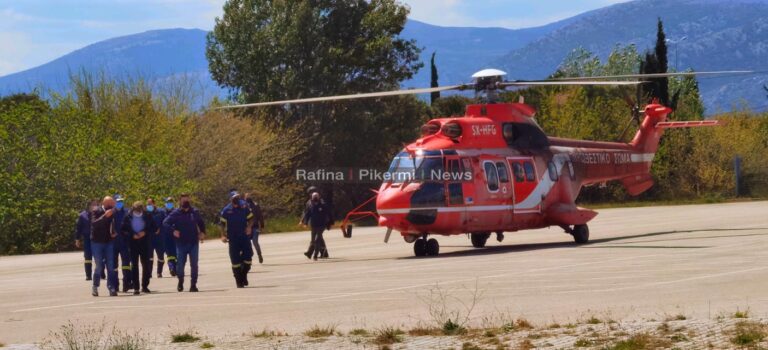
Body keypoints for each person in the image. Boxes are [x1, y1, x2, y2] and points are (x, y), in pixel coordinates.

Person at [163, 193, 206, 292]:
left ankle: (193, 285)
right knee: (180, 265)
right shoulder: (176, 213)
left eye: (187, 200)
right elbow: (165, 223)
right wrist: (173, 231)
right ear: (180, 201)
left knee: (194, 264)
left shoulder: (194, 212)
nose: (185, 202)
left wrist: (202, 232)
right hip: (181, 243)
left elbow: (201, 222)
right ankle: (180, 281)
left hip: (193, 242)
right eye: (183, 200)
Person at [219, 193, 254, 288]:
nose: (237, 199)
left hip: (244, 237)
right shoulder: (226, 210)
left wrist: (249, 227)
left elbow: (251, 218)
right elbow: (222, 224)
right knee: (235, 261)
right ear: (230, 199)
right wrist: (222, 235)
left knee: (248, 258)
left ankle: (244, 275)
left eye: (238, 197)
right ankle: (239, 281)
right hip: (233, 238)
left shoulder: (244, 206)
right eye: (235, 198)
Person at [122, 201, 156, 295]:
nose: (137, 212)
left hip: (145, 243)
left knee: (146, 264)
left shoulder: (147, 216)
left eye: (139, 210)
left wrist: (145, 232)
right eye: (136, 210)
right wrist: (132, 235)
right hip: (133, 243)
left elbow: (154, 227)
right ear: (133, 208)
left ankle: (145, 286)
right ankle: (136, 287)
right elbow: (123, 230)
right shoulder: (127, 216)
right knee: (134, 265)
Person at [90, 196, 119, 297]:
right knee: (99, 266)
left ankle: (111, 288)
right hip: (97, 242)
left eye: (112, 204)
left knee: (110, 266)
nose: (111, 206)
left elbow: (116, 224)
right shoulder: (96, 211)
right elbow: (94, 223)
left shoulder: (113, 212)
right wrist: (104, 216)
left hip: (109, 242)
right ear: (105, 203)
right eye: (110, 204)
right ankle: (95, 286)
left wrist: (115, 232)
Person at [301, 192, 333, 261]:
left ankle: (315, 255)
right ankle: (310, 253)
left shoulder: (323, 205)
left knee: (317, 240)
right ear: (311, 198)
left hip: (321, 225)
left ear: (319, 197)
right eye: (314, 197)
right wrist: (305, 223)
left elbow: (329, 214)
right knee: (313, 240)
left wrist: (330, 223)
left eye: (316, 196)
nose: (315, 198)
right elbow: (307, 214)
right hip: (313, 225)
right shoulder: (310, 205)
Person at [75, 199, 99, 281]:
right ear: (89, 206)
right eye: (93, 204)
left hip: (97, 238)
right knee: (88, 257)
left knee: (99, 257)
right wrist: (77, 239)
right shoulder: (82, 216)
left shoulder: (100, 214)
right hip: (87, 239)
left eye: (96, 204)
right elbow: (78, 228)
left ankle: (101, 274)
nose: (95, 206)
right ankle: (88, 275)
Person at [112, 194, 132, 292]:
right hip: (113, 243)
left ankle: (126, 283)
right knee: (114, 266)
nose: (120, 203)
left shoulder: (127, 212)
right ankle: (115, 285)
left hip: (125, 242)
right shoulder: (110, 213)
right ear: (114, 202)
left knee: (126, 264)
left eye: (121, 201)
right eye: (118, 201)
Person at [146, 197, 167, 278]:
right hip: (149, 238)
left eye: (150, 204)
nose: (149, 205)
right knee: (149, 257)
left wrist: (160, 229)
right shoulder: (145, 213)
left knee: (161, 257)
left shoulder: (161, 212)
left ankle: (159, 272)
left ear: (154, 204)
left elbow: (165, 222)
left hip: (159, 238)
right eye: (147, 204)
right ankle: (149, 273)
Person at [244, 193, 265, 264]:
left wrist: (262, 225)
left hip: (255, 227)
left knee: (255, 242)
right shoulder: (243, 206)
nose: (248, 198)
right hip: (246, 228)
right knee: (247, 243)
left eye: (249, 196)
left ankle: (259, 254)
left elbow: (260, 216)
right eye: (246, 197)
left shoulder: (255, 205)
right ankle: (250, 254)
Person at [162, 197, 178, 277]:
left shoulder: (176, 212)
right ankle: (172, 268)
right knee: (169, 254)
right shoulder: (162, 213)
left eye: (171, 202)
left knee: (176, 254)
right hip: (166, 237)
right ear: (165, 203)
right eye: (168, 202)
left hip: (175, 236)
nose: (169, 203)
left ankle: (176, 269)